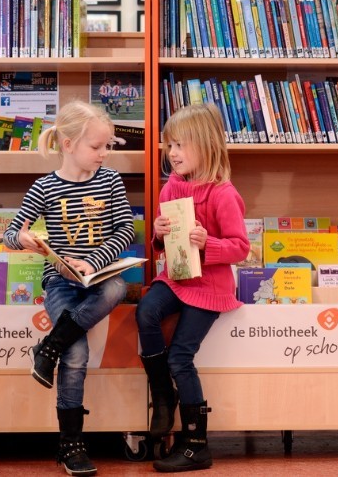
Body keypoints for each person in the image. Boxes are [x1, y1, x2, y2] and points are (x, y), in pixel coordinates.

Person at [3, 100, 135, 477]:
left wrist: (93, 261)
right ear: (68, 144)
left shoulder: (109, 181)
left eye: (107, 146)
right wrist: (23, 239)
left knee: (116, 291)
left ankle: (48, 347)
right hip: (61, 280)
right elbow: (11, 234)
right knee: (75, 357)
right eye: (97, 146)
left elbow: (126, 230)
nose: (103, 154)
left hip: (99, 275)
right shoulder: (43, 187)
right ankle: (70, 445)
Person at [135, 103, 249, 472]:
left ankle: (197, 444)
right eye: (170, 146)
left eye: (180, 145)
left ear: (206, 145)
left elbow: (241, 247)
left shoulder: (223, 193)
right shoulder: (171, 187)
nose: (172, 153)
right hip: (177, 277)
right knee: (146, 311)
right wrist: (158, 235)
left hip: (209, 286)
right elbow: (164, 244)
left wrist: (208, 243)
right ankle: (162, 396)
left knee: (180, 357)